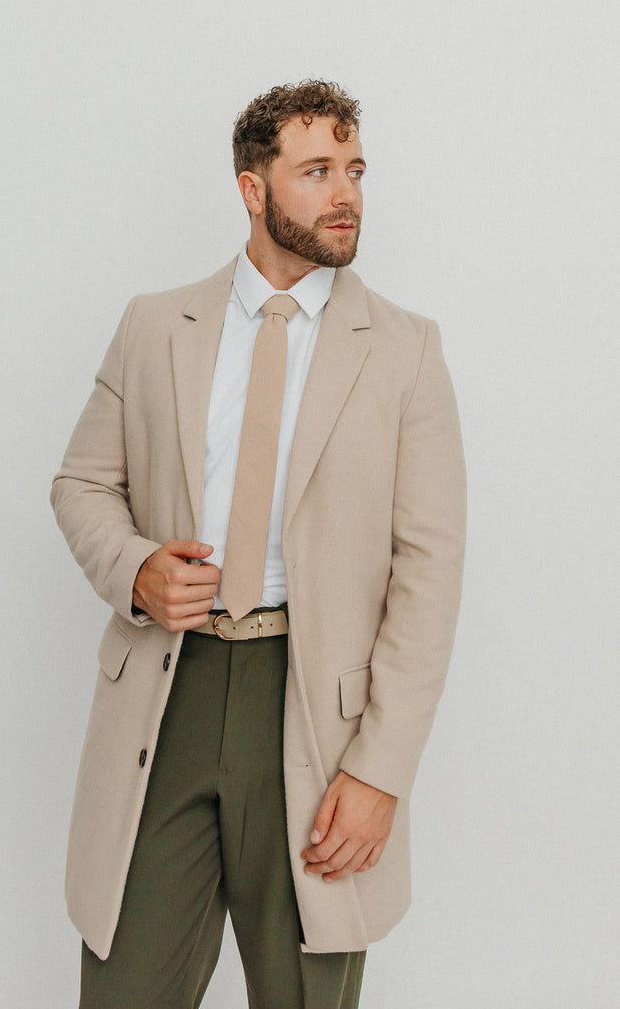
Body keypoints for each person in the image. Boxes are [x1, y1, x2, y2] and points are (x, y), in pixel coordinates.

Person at [51, 79, 466, 1009]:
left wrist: (378, 771)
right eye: (316, 170)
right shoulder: (155, 326)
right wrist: (136, 570)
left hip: (319, 716)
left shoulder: (404, 351)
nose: (345, 193)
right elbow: (82, 483)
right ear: (252, 189)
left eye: (354, 169)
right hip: (168, 696)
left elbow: (428, 578)